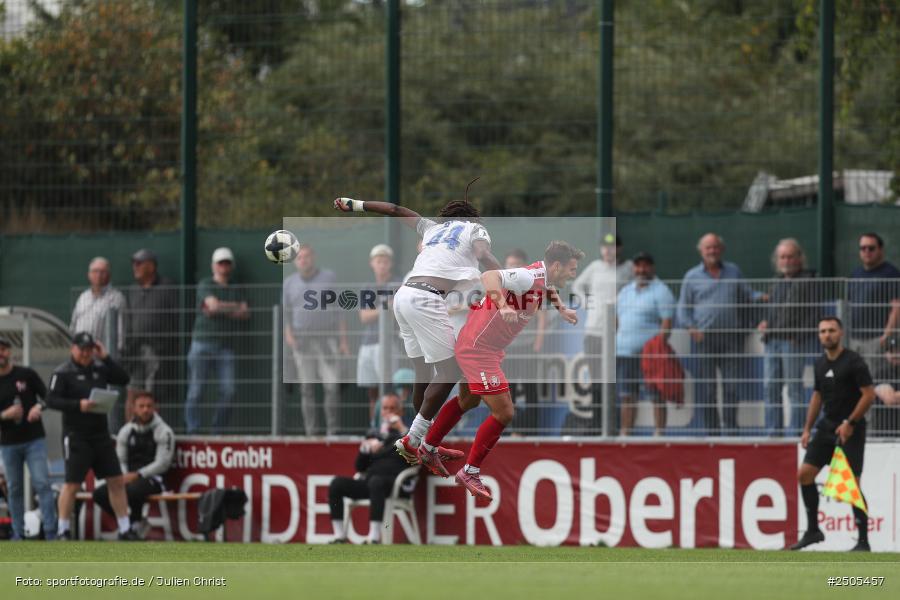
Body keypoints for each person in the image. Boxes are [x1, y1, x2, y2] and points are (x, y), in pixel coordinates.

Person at [333, 193, 502, 465]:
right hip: (427, 299)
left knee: (423, 372)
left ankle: (424, 442)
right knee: (450, 371)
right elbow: (484, 255)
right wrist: (504, 282)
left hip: (403, 296)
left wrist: (355, 204)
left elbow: (395, 208)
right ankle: (414, 440)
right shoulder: (474, 229)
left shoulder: (432, 228)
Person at [419, 241, 583, 499]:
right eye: (571, 269)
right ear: (556, 265)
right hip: (478, 349)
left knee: (467, 400)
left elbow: (548, 287)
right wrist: (504, 306)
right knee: (505, 411)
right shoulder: (528, 276)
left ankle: (428, 446)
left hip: (484, 347)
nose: (573, 274)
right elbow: (489, 276)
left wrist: (561, 308)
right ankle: (470, 471)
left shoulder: (543, 278)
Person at [791, 316, 874, 552]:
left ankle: (863, 542)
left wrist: (850, 422)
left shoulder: (854, 362)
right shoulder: (819, 364)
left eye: (831, 330)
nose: (827, 335)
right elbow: (817, 396)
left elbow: (869, 394)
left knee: (851, 486)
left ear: (841, 333)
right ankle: (813, 530)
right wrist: (807, 428)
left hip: (851, 430)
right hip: (827, 427)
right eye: (823, 331)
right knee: (804, 474)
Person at [47, 332, 136, 541]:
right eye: (82, 349)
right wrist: (78, 405)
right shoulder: (62, 372)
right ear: (73, 349)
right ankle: (63, 529)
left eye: (89, 350)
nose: (86, 354)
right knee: (72, 484)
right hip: (76, 435)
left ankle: (125, 528)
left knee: (115, 480)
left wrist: (105, 357)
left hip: (100, 435)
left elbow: (123, 379)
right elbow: (51, 400)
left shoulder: (100, 368)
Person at [676, 233, 765, 435]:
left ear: (722, 249)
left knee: (731, 388)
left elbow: (747, 295)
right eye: (708, 247)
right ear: (701, 251)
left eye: (715, 247)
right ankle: (712, 434)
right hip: (704, 339)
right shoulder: (691, 276)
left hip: (731, 337)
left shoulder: (733, 271)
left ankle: (732, 432)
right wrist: (691, 328)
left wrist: (762, 296)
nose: (712, 251)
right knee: (707, 389)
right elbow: (683, 309)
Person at [282, 243, 350, 436]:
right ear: (296, 261)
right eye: (300, 257)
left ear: (314, 257)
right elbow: (285, 314)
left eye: (307, 256)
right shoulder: (289, 283)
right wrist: (289, 336)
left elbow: (340, 311)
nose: (304, 260)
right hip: (301, 343)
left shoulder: (329, 278)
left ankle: (333, 432)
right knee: (307, 389)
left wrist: (343, 341)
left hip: (328, 340)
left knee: (332, 387)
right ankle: (311, 434)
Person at [758, 239, 822, 436]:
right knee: (770, 388)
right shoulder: (776, 282)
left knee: (794, 388)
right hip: (772, 342)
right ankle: (773, 432)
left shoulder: (809, 281)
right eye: (782, 257)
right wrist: (765, 322)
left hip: (792, 342)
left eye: (790, 256)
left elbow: (814, 314)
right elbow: (771, 310)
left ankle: (796, 432)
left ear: (799, 258)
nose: (786, 260)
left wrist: (799, 336)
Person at [328, 393, 411, 544]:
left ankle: (374, 537)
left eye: (393, 408)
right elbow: (359, 467)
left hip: (394, 483)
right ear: (381, 411)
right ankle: (339, 536)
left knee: (376, 482)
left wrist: (400, 428)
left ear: (401, 412)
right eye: (386, 408)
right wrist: (365, 450)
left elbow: (413, 451)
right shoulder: (374, 434)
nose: (389, 412)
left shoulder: (408, 433)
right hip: (371, 482)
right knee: (336, 484)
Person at [185, 247, 250, 434]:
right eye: (220, 263)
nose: (224, 266)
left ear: (231, 266)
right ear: (214, 265)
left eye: (227, 263)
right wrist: (233, 307)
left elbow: (245, 313)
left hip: (225, 347)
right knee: (196, 390)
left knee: (229, 391)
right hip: (202, 344)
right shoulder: (206, 284)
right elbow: (212, 307)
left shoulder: (236, 288)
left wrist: (219, 307)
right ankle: (193, 431)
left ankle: (218, 432)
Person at [572, 234, 633, 431]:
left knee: (614, 380)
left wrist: (622, 306)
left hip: (617, 333)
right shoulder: (595, 267)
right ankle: (597, 423)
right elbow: (576, 286)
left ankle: (612, 425)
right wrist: (588, 304)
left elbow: (635, 290)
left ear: (620, 249)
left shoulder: (628, 268)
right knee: (597, 380)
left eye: (612, 247)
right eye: (605, 247)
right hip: (593, 331)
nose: (608, 251)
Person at [92, 391, 174, 537]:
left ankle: (132, 526)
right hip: (128, 478)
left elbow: (163, 463)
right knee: (100, 494)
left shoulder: (165, 431)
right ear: (133, 408)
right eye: (141, 406)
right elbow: (120, 459)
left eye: (149, 406)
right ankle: (131, 523)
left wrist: (137, 475)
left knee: (133, 490)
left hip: (154, 479)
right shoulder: (126, 431)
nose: (145, 410)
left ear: (156, 408)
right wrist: (122, 477)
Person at [0, 335, 57, 540]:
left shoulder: (26, 374)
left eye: (4, 349)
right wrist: (4, 415)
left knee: (42, 483)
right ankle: (18, 533)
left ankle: (51, 533)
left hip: (34, 440)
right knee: (14, 489)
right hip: (8, 443)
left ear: (10, 353)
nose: (1, 353)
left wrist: (38, 407)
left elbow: (49, 396)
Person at [615, 253, 676, 436]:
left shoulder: (661, 291)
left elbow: (667, 323)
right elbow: (617, 319)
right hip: (624, 353)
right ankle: (626, 434)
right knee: (627, 395)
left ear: (652, 268)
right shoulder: (626, 291)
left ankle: (659, 434)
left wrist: (657, 348)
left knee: (656, 396)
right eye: (638, 266)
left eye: (646, 266)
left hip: (650, 355)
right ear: (633, 268)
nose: (641, 270)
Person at [124, 248, 177, 423]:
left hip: (158, 351)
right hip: (135, 351)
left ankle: (153, 435)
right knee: (132, 392)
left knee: (151, 396)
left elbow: (178, 317)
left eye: (139, 263)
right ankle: (130, 432)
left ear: (151, 266)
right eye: (134, 263)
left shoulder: (167, 287)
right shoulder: (132, 290)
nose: (135, 267)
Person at [502, 249, 546, 434]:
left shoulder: (535, 288)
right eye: (510, 264)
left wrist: (538, 342)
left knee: (530, 390)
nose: (513, 268)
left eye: (517, 265)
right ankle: (510, 430)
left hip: (528, 347)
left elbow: (543, 317)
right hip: (507, 348)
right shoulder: (500, 289)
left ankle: (530, 430)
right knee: (507, 392)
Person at [357, 244, 401, 421]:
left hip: (388, 344)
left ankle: (390, 428)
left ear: (390, 263)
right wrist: (384, 308)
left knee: (389, 389)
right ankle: (374, 428)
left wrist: (378, 310)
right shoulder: (367, 286)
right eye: (378, 261)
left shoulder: (398, 284)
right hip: (367, 344)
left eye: (385, 261)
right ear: (372, 263)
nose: (382, 264)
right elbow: (364, 317)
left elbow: (395, 312)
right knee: (372, 392)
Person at [847, 233, 900, 368]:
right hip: (854, 339)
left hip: (876, 339)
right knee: (854, 380)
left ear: (880, 250)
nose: (866, 251)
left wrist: (886, 336)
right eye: (863, 248)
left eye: (871, 248)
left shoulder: (891, 273)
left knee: (873, 381)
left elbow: (896, 307)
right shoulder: (855, 273)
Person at [70, 257, 126, 349]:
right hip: (81, 355)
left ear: (109, 275)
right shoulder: (83, 297)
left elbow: (121, 331)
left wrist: (111, 357)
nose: (98, 275)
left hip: (102, 356)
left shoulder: (116, 298)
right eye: (95, 271)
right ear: (89, 274)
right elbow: (73, 325)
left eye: (102, 272)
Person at [871, 336, 900, 434]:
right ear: (886, 354)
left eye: (898, 351)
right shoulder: (881, 373)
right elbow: (890, 400)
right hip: (885, 430)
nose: (895, 355)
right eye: (892, 351)